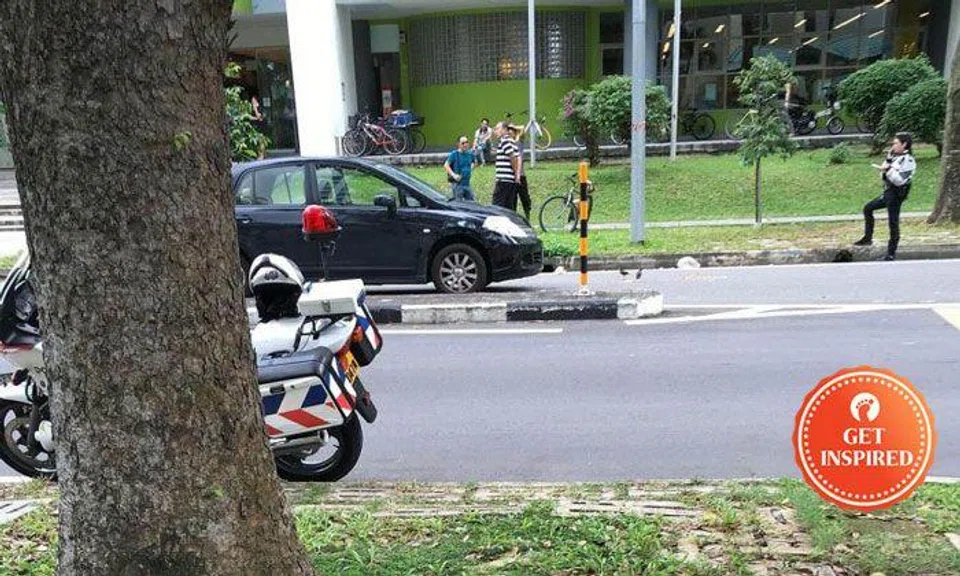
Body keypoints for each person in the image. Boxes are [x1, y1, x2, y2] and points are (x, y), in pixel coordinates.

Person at [854, 133, 917, 261]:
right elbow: (884, 173)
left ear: (904, 144)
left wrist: (888, 170)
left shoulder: (908, 160)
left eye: (895, 143)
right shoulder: (894, 157)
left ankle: (891, 253)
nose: (893, 146)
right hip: (888, 192)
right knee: (868, 208)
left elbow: (900, 180)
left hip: (896, 194)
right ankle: (867, 238)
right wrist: (886, 165)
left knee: (893, 222)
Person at [492, 122, 521, 211]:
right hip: (510, 181)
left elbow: (512, 156)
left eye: (497, 129)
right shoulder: (511, 141)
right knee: (509, 208)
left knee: (497, 207)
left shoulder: (504, 140)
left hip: (504, 180)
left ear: (504, 129)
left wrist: (516, 173)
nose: (495, 131)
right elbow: (518, 157)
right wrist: (517, 176)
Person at [444, 136, 476, 201]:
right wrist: (454, 175)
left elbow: (474, 162)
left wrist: (470, 169)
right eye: (463, 143)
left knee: (472, 203)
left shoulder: (470, 154)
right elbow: (446, 165)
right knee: (459, 204)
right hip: (458, 185)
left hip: (467, 184)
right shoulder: (454, 154)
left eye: (467, 142)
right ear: (458, 144)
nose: (465, 144)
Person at [515, 134, 532, 222]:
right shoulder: (508, 144)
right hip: (511, 177)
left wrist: (511, 126)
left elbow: (522, 129)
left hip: (521, 176)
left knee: (525, 198)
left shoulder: (519, 143)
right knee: (513, 199)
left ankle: (527, 217)